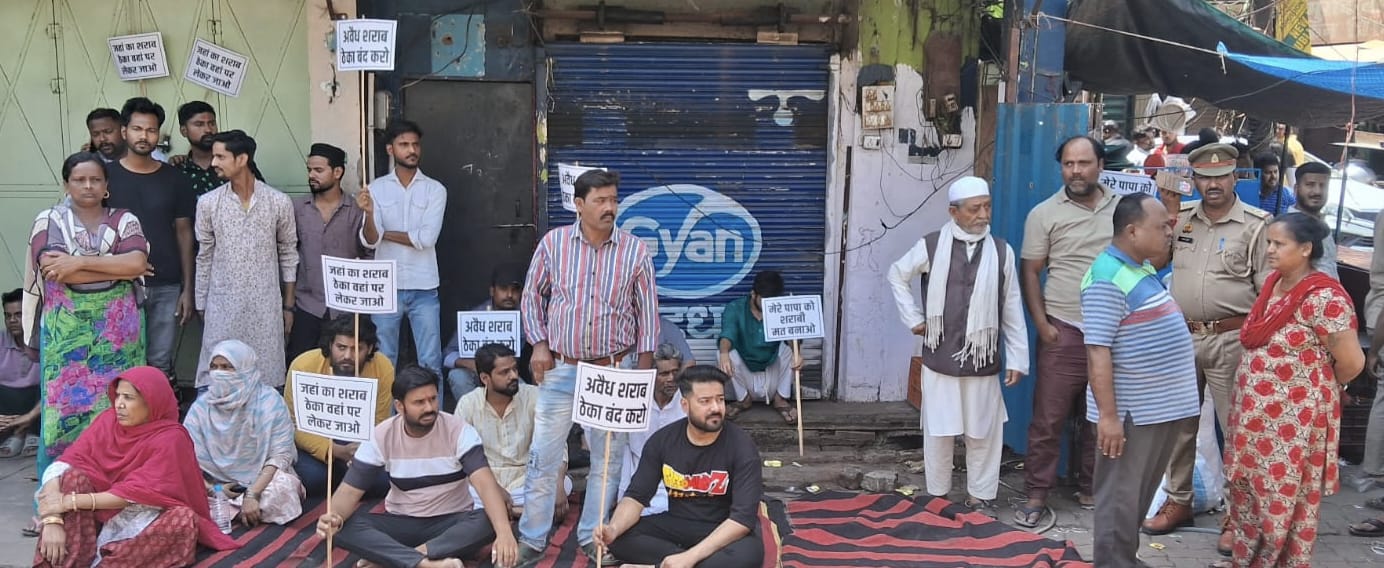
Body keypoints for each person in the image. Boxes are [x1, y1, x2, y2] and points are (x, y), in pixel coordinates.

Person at [515, 168, 659, 567]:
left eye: (613, 200)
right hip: (561, 368)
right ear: (579, 205)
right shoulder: (553, 244)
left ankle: (592, 538)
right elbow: (532, 297)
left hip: (614, 370)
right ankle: (532, 539)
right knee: (543, 457)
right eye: (601, 200)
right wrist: (539, 343)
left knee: (607, 461)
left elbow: (648, 314)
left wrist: (642, 373)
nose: (610, 207)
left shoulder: (635, 250)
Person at [1219, 213, 1362, 566]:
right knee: (1247, 491)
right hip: (1254, 420)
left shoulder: (1324, 298)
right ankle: (1247, 559)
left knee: (1281, 499)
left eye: (1278, 244)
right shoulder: (1273, 285)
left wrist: (1314, 387)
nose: (1269, 249)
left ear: (1306, 249)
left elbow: (1351, 362)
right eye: (1269, 242)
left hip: (1293, 426)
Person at [1148, 143, 1271, 536]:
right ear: (1194, 179)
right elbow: (1156, 263)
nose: (1213, 184)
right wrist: (1167, 216)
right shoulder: (1181, 218)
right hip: (1183, 336)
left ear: (1234, 176)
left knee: (1237, 430)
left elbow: (1268, 292)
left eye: (1221, 176)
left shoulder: (1256, 225)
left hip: (1232, 339)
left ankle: (1239, 517)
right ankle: (1178, 501)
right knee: (1180, 426)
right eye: (1205, 177)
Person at [887, 176, 1029, 509]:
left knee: (983, 432)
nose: (983, 215)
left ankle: (980, 496)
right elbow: (897, 274)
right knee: (939, 431)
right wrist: (913, 318)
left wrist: (1018, 357)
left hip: (982, 360)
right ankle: (938, 495)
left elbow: (1011, 304)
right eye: (974, 208)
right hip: (940, 358)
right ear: (954, 212)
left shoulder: (1001, 251)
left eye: (987, 207)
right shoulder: (931, 245)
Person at [1082, 193, 1200, 568]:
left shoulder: (1138, 267)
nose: (1169, 232)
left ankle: (1124, 560)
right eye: (1161, 226)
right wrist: (1109, 417)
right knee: (1119, 498)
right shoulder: (1106, 278)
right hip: (1131, 414)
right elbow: (1097, 351)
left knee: (1136, 495)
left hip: (1155, 410)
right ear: (1132, 231)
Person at [25, 152, 150, 494]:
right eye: (79, 180)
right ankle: (56, 497)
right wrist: (115, 266)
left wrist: (77, 263)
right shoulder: (49, 219)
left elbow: (137, 263)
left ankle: (115, 495)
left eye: (95, 179)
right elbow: (53, 269)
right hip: (67, 340)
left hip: (118, 341)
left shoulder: (124, 219)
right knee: (63, 414)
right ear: (66, 184)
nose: (88, 186)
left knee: (121, 407)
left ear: (106, 185)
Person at [315, 365, 519, 568]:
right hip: (401, 522)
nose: (429, 408)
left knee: (490, 519)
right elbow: (350, 491)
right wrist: (332, 518)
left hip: (451, 523)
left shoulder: (459, 431)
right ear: (399, 406)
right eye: (419, 402)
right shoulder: (382, 435)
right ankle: (425, 564)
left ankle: (397, 558)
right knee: (340, 526)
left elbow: (484, 484)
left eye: (433, 399)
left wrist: (504, 533)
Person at [32, 367, 239, 567]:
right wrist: (52, 519)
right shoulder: (108, 421)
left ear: (151, 401)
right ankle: (67, 562)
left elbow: (137, 492)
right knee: (72, 478)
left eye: (128, 398)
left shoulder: (171, 438)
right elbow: (65, 463)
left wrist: (68, 502)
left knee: (184, 520)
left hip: (146, 518)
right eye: (118, 396)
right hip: (96, 518)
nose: (119, 404)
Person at [1015, 135, 1116, 526]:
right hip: (1064, 328)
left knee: (1101, 416)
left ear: (1100, 165)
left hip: (1111, 332)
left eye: (1083, 163)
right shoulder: (1044, 214)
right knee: (1048, 419)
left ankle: (1092, 488)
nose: (1076, 171)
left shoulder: (1122, 208)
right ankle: (1036, 493)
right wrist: (1042, 325)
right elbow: (1030, 270)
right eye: (1068, 164)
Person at [594, 365, 764, 568]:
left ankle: (672, 563)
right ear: (685, 405)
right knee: (620, 539)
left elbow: (742, 519)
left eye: (720, 399)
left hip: (724, 528)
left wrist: (690, 557)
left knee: (748, 556)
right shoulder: (662, 440)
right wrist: (613, 529)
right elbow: (636, 496)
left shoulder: (742, 446)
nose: (716, 408)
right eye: (705, 401)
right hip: (677, 524)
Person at [194, 130, 298, 389]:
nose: (213, 162)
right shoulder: (208, 203)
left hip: (265, 306)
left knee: (265, 377)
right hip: (222, 305)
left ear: (242, 159)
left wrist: (288, 306)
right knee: (219, 375)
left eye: (220, 157)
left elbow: (288, 253)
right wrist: (201, 303)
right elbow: (204, 256)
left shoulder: (278, 202)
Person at [105, 97, 196, 383]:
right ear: (124, 131)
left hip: (166, 284)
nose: (144, 136)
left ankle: (157, 412)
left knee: (159, 363)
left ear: (158, 134)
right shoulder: (105, 177)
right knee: (120, 361)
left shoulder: (175, 178)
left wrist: (188, 289)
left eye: (151, 130)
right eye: (137, 129)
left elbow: (184, 232)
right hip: (118, 284)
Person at [359, 120, 446, 380]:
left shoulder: (435, 189)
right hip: (385, 287)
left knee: (431, 361)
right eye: (404, 144)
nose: (411, 150)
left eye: (415, 145)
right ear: (390, 149)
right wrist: (370, 214)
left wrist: (385, 233)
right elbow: (370, 240)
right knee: (384, 361)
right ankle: (386, 409)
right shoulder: (375, 189)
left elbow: (426, 238)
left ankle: (432, 408)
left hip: (424, 287)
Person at [185, 340, 304, 527]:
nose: (219, 373)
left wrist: (253, 494)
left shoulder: (270, 402)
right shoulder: (202, 406)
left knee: (283, 489)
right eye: (214, 367)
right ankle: (236, 510)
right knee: (179, 487)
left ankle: (229, 510)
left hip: (261, 480)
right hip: (215, 483)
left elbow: (280, 455)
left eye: (227, 367)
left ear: (245, 369)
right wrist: (214, 490)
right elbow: (185, 456)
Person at [454, 343, 570, 519]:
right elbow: (459, 455)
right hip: (486, 481)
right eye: (504, 372)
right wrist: (493, 488)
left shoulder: (534, 396)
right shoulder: (468, 403)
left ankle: (498, 512)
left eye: (515, 369)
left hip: (526, 480)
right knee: (459, 490)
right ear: (485, 378)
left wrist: (558, 482)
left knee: (563, 484)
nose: (514, 376)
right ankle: (521, 512)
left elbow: (556, 444)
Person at [285, 316, 393, 497]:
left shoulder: (382, 367)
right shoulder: (303, 365)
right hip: (313, 442)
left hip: (358, 443)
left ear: (369, 349)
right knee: (314, 480)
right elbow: (292, 425)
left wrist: (359, 450)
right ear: (330, 345)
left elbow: (379, 421)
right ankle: (341, 477)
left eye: (357, 349)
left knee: (383, 482)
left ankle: (344, 477)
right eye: (341, 348)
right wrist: (334, 451)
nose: (348, 356)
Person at [289, 143, 369, 360]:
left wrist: (370, 214)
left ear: (337, 172)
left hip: (347, 308)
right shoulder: (297, 208)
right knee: (301, 365)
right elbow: (288, 256)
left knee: (346, 367)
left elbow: (369, 251)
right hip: (307, 305)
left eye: (318, 170)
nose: (311, 175)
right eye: (309, 170)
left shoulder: (356, 209)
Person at [718, 270, 803, 424]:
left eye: (772, 300)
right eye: (764, 299)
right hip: (746, 375)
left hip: (772, 373)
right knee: (724, 353)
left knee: (792, 351)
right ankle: (743, 399)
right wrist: (724, 353)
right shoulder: (735, 308)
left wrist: (797, 354)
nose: (768, 304)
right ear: (753, 294)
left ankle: (780, 399)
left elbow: (791, 337)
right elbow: (727, 333)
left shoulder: (780, 308)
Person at [618, 342, 688, 517]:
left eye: (675, 372)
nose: (672, 378)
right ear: (651, 375)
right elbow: (625, 448)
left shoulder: (687, 405)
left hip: (675, 480)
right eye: (664, 374)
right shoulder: (634, 403)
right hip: (638, 477)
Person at [442, 263, 529, 402]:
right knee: (457, 376)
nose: (509, 295)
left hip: (508, 374)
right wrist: (469, 363)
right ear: (492, 291)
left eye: (515, 290)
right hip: (476, 374)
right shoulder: (475, 316)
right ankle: (473, 415)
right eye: (503, 289)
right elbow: (448, 354)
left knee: (525, 395)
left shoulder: (527, 317)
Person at [0, 288, 39, 458]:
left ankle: (32, 434)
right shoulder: (1, 340)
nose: (12, 320)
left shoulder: (44, 340)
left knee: (49, 387)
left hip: (37, 407)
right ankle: (16, 434)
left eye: (18, 314)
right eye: (7, 316)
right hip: (8, 407)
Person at [1285, 161, 1339, 280]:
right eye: (1310, 185)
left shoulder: (1322, 224)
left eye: (1323, 185)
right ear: (1296, 189)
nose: (1317, 192)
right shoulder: (1287, 228)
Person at [171, 101, 222, 196]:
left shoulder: (231, 164)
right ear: (184, 131)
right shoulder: (176, 170)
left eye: (212, 123)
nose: (208, 130)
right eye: (199, 124)